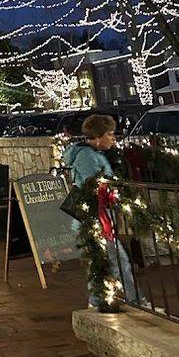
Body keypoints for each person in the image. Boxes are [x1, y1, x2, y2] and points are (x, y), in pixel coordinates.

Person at [63, 113, 139, 311]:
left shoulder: (95, 154)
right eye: (110, 134)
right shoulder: (87, 156)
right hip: (94, 219)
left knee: (102, 262)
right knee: (117, 261)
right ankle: (134, 301)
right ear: (97, 136)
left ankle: (99, 300)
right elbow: (94, 187)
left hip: (96, 219)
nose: (113, 138)